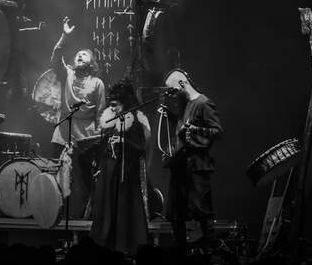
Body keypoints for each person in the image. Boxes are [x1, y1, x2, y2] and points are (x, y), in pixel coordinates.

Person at [50, 16, 106, 218]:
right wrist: (64, 36)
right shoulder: (68, 74)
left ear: (91, 62)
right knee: (58, 178)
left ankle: (86, 219)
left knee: (85, 180)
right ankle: (55, 215)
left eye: (84, 55)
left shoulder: (97, 83)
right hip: (64, 132)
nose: (80, 56)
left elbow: (101, 111)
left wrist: (98, 139)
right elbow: (56, 58)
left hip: (87, 137)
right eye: (78, 55)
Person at [162, 69, 223, 251]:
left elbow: (218, 131)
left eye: (172, 90)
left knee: (202, 211)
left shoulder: (203, 103)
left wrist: (195, 129)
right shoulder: (185, 105)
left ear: (182, 84)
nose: (171, 94)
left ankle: (211, 253)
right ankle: (181, 252)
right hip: (181, 165)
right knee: (176, 213)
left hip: (196, 165)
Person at [90, 79, 151, 255]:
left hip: (125, 175)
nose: (113, 108)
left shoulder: (134, 122)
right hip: (108, 173)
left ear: (124, 103)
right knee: (106, 209)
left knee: (124, 210)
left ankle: (125, 247)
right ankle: (104, 246)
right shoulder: (109, 122)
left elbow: (140, 149)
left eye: (116, 104)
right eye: (111, 105)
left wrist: (124, 141)